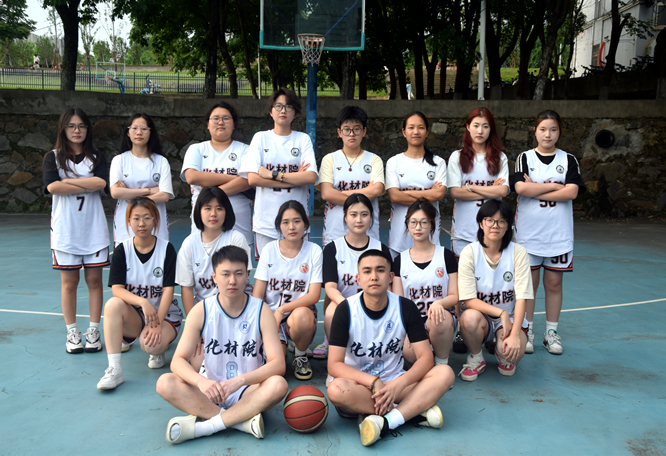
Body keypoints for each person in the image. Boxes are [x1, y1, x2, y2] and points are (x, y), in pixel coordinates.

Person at [156, 246, 288, 444]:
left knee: (278, 384)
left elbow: (278, 364)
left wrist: (240, 381)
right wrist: (201, 382)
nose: (232, 281)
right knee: (165, 383)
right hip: (209, 389)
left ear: (247, 276)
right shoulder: (201, 310)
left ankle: (205, 427)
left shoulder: (262, 311)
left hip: (247, 389)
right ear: (214, 277)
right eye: (225, 274)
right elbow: (178, 361)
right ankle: (240, 422)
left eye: (238, 274)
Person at [327, 249, 453, 447]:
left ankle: (385, 422)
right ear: (358, 278)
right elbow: (334, 365)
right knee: (336, 390)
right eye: (367, 271)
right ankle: (411, 412)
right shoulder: (345, 309)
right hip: (359, 386)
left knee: (445, 372)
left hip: (396, 384)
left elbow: (426, 358)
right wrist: (372, 381)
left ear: (391, 277)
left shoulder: (405, 307)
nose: (374, 277)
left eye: (380, 270)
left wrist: (399, 384)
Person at [514, 110, 586, 355]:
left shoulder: (569, 160)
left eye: (553, 129)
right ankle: (528, 330)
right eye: (543, 129)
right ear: (535, 131)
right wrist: (555, 186)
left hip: (558, 235)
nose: (548, 134)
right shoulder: (524, 158)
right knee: (529, 285)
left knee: (554, 283)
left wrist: (535, 189)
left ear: (559, 132)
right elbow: (520, 188)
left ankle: (551, 333)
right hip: (529, 235)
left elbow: (572, 192)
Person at [96, 197, 183, 390]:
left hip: (164, 314)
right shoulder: (122, 250)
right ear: (128, 221)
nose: (141, 223)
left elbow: (169, 290)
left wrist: (157, 323)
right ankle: (114, 369)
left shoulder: (166, 249)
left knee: (151, 345)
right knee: (112, 304)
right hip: (136, 314)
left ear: (155, 220)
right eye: (136, 218)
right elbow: (117, 289)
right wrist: (143, 302)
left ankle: (159, 349)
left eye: (147, 218)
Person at [43, 108, 110, 354]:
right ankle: (72, 332)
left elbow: (101, 183)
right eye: (71, 126)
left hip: (93, 230)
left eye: (81, 126)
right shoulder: (53, 157)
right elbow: (52, 187)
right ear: (63, 129)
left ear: (87, 129)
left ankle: (93, 330)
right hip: (66, 231)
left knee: (94, 281)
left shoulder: (96, 156)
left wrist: (68, 182)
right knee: (69, 283)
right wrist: (86, 184)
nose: (76, 130)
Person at [457, 200, 532, 381]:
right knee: (468, 318)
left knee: (512, 353)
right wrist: (500, 313)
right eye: (490, 220)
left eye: (501, 221)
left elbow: (522, 297)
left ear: (508, 226)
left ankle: (502, 353)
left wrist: (515, 334)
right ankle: (476, 357)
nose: (495, 226)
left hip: (509, 319)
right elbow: (469, 300)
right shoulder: (469, 252)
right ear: (481, 223)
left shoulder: (518, 252)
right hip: (481, 316)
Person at [239, 88, 318, 259]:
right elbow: (252, 179)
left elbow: (310, 177)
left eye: (289, 106)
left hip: (297, 222)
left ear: (295, 113)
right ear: (271, 111)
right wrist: (295, 178)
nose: (283, 110)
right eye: (278, 106)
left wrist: (272, 174)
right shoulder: (260, 138)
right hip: (266, 223)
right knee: (267, 271)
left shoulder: (302, 139)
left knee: (298, 270)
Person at [252, 200, 322, 381]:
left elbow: (314, 295)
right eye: (286, 222)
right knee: (276, 370)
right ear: (279, 225)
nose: (292, 227)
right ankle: (282, 348)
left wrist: (282, 309)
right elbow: (257, 294)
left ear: (305, 223)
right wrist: (265, 319)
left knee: (301, 316)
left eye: (297, 221)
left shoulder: (314, 251)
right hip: (271, 317)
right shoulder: (269, 250)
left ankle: (300, 354)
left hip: (298, 316)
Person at [319, 194, 392, 359]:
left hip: (374, 305)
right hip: (344, 305)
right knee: (331, 311)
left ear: (371, 217)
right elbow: (330, 288)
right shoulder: (333, 249)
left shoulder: (381, 249)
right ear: (345, 216)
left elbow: (389, 287)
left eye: (364, 214)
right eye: (353, 214)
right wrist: (349, 307)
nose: (359, 220)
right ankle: (333, 350)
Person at [392, 200, 459, 367]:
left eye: (424, 222)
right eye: (413, 222)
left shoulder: (446, 256)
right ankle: (427, 353)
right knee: (410, 354)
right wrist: (408, 327)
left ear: (432, 225)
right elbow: (399, 301)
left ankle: (441, 363)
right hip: (413, 319)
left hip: (441, 317)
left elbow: (454, 295)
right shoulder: (400, 260)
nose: (418, 227)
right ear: (407, 225)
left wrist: (439, 303)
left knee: (439, 319)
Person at [181, 102, 253, 251]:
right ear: (207, 124)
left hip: (239, 226)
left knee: (237, 265)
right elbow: (192, 177)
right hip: (203, 229)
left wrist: (210, 191)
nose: (221, 122)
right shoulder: (197, 149)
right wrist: (235, 178)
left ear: (234, 124)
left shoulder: (245, 150)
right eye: (215, 118)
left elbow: (248, 181)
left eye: (226, 118)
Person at [176, 186, 251, 317]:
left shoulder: (236, 239)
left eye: (219, 208)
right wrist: (193, 322)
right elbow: (187, 288)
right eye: (208, 208)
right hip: (204, 309)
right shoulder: (189, 244)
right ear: (198, 211)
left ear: (226, 211)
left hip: (236, 305)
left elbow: (243, 280)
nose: (213, 214)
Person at [317, 106, 384, 246]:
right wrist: (365, 193)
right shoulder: (330, 159)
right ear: (339, 132)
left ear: (364, 131)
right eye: (347, 129)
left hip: (368, 233)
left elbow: (376, 190)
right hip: (335, 232)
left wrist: (340, 195)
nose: (352, 134)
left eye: (356, 129)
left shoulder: (374, 159)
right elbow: (326, 193)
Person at [447, 107, 510, 256]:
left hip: (492, 231)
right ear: (468, 127)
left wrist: (469, 187)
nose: (480, 131)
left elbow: (502, 191)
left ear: (491, 129)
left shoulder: (500, 157)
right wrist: (491, 191)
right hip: (463, 232)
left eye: (485, 126)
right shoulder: (457, 156)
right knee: (462, 271)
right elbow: (455, 192)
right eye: (476, 125)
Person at [386, 112, 447, 258]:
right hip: (399, 238)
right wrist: (428, 193)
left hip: (429, 235)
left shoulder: (438, 162)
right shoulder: (394, 162)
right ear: (404, 132)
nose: (416, 132)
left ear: (427, 132)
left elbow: (439, 194)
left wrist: (404, 193)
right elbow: (394, 196)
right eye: (411, 127)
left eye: (420, 127)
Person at [110, 113, 173, 245]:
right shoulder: (119, 160)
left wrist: (130, 196)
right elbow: (115, 192)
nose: (139, 132)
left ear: (151, 132)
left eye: (144, 128)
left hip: (155, 223)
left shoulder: (161, 161)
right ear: (128, 132)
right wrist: (149, 190)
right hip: (125, 225)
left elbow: (164, 195)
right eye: (134, 128)